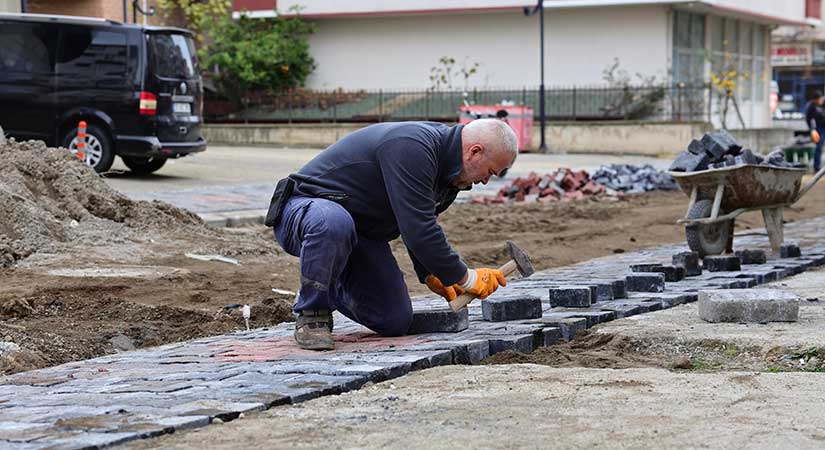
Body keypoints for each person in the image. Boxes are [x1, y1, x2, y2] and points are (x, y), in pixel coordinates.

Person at [267, 119, 518, 350]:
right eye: (491, 172)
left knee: (393, 319)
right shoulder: (413, 145)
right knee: (334, 222)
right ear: (475, 152)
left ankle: (327, 284)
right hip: (306, 210)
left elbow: (415, 217)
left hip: (360, 232)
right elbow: (418, 228)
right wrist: (466, 278)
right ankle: (313, 313)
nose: (486, 181)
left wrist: (431, 273)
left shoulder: (451, 178)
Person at [805, 91, 825, 172]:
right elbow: (808, 119)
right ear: (815, 100)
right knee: (819, 146)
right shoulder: (811, 106)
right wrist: (812, 130)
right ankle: (816, 168)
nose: (821, 101)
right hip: (818, 128)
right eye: (819, 100)